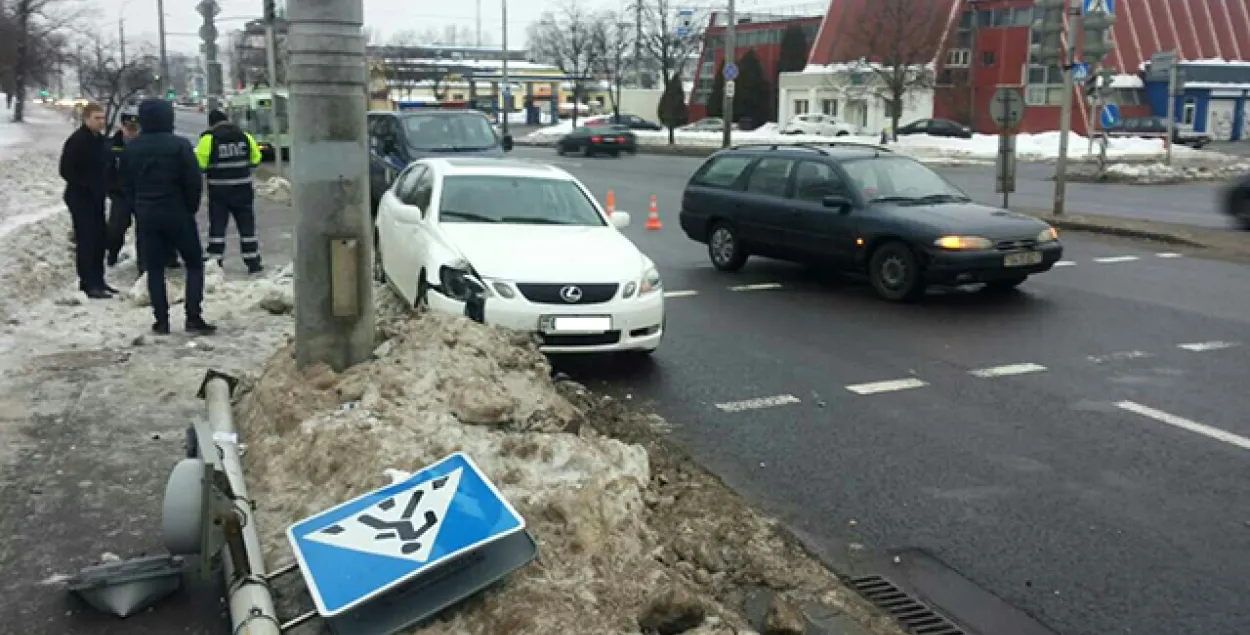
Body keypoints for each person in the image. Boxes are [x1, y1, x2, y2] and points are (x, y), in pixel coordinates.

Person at [120, 98, 216, 335]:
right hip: (177, 211)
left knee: (154, 268)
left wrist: (137, 207)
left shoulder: (132, 147)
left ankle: (161, 320)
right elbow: (193, 181)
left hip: (147, 214)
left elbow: (125, 184)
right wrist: (189, 208)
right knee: (193, 263)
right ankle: (193, 316)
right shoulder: (180, 145)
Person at [195, 109, 264, 274]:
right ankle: (252, 260)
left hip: (219, 192)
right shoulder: (244, 136)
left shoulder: (209, 139)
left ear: (211, 124)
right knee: (247, 227)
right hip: (243, 190)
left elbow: (200, 164)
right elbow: (255, 159)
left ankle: (215, 260)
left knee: (218, 227)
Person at [58, 101, 114, 299]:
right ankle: (88, 283)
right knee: (87, 239)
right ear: (86, 119)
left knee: (100, 238)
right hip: (81, 198)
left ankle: (99, 280)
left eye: (102, 118)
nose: (101, 122)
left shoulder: (99, 139)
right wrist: (86, 185)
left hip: (97, 197)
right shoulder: (78, 140)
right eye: (96, 118)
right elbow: (65, 170)